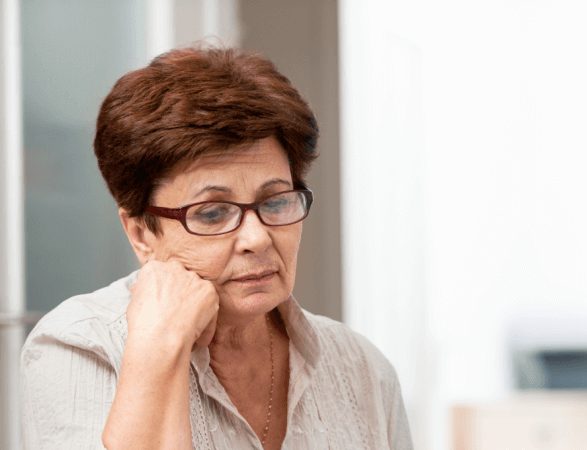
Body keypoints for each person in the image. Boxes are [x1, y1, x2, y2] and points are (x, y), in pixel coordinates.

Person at [20, 47, 412, 450]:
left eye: (276, 202)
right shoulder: (80, 347)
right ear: (141, 235)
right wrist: (160, 348)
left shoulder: (363, 368)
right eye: (212, 214)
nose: (257, 238)